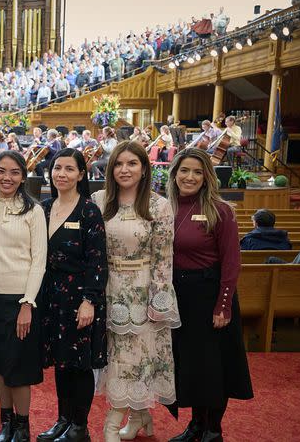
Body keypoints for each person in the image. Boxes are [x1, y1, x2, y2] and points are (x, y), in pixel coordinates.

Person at [90, 141, 180, 442]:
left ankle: (112, 425)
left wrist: (159, 301)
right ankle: (141, 418)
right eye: (118, 164)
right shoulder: (99, 199)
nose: (124, 169)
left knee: (134, 358)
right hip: (107, 289)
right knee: (115, 356)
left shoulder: (158, 205)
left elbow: (163, 259)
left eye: (132, 164)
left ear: (144, 169)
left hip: (142, 292)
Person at [165, 148, 253, 442]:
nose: (190, 177)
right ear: (175, 173)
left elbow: (232, 263)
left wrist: (223, 305)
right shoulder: (167, 208)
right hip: (180, 298)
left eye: (197, 172)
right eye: (184, 171)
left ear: (207, 177)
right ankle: (196, 426)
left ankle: (213, 429)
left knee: (214, 367)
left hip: (210, 296)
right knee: (191, 365)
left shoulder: (220, 210)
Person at [0, 151, 47, 442]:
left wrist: (27, 303)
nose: (7, 178)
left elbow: (39, 260)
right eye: (2, 171)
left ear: (23, 176)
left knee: (19, 368)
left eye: (15, 172)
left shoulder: (33, 211)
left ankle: (22, 426)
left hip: (21, 300)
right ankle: (6, 422)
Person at [37, 148, 108, 442]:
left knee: (79, 364)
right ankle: (62, 420)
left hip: (80, 297)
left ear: (81, 174)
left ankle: (80, 426)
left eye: (69, 169)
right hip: (51, 297)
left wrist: (89, 300)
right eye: (57, 168)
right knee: (62, 363)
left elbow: (98, 260)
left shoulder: (89, 210)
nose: (61, 174)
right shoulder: (43, 207)